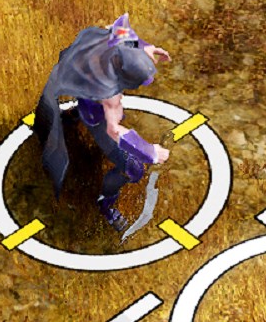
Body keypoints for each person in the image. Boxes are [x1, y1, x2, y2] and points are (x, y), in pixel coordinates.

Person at [32, 14, 172, 230]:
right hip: (97, 117)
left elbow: (120, 31)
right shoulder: (109, 94)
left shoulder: (115, 41)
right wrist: (150, 152)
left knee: (87, 102)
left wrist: (146, 48)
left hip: (78, 72)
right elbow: (114, 130)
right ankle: (106, 204)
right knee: (133, 169)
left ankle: (78, 112)